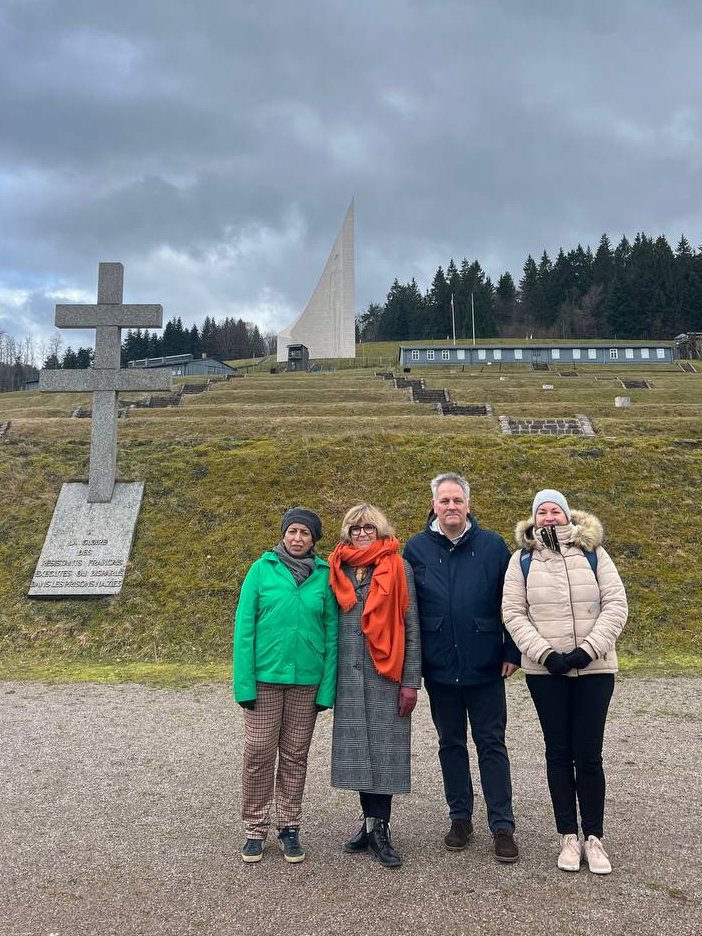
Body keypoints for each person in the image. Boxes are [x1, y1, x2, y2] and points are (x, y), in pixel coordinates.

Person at [501, 489, 628, 875]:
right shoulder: (521, 560)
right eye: (543, 512)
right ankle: (568, 837)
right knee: (557, 752)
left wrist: (588, 650)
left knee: (588, 754)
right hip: (547, 673)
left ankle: (594, 837)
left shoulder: (594, 554)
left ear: (568, 515)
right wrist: (545, 655)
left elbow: (616, 603)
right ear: (534, 519)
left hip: (594, 669)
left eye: (556, 510)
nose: (549, 517)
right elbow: (513, 612)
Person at [403, 472, 521, 863]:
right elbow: (410, 611)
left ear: (468, 504)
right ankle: (460, 817)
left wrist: (512, 649)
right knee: (450, 744)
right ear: (433, 505)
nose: (450, 506)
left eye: (457, 500)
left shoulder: (492, 546)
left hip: (486, 661)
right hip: (439, 665)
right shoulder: (416, 548)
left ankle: (502, 825)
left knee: (491, 743)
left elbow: (511, 601)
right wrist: (414, 662)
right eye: (444, 501)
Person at [233, 507, 338, 864]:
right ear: (283, 534)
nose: (297, 538)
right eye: (292, 531)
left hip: (306, 682)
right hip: (264, 679)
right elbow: (244, 630)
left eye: (304, 533)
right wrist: (243, 685)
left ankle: (290, 826)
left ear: (313, 540)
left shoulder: (325, 575)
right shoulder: (261, 570)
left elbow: (333, 634)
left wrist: (327, 689)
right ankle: (255, 828)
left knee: (295, 756)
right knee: (258, 753)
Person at [327, 504, 422, 869]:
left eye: (368, 527)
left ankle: (381, 827)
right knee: (359, 753)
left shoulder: (399, 567)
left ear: (379, 529)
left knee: (384, 752)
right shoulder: (339, 567)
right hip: (349, 676)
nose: (361, 533)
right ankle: (368, 824)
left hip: (388, 674)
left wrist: (410, 682)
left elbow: (411, 626)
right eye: (355, 528)